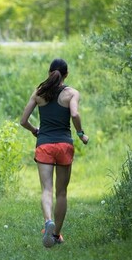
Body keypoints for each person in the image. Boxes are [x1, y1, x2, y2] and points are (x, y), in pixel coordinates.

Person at [20, 58, 89, 248]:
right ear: (66, 74)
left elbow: (23, 120)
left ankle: (48, 221)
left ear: (50, 73)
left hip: (45, 146)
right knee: (61, 193)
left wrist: (35, 131)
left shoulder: (39, 93)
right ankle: (56, 235)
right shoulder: (72, 93)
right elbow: (74, 114)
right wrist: (81, 134)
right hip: (64, 146)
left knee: (46, 190)